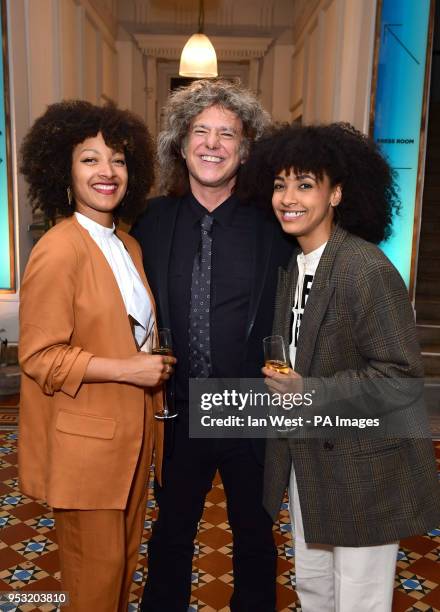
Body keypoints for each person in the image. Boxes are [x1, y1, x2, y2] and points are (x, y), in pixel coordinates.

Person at [238, 122, 440, 612]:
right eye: (280, 184)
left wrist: (311, 391)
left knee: (360, 599)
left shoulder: (365, 268)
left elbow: (400, 379)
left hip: (363, 469)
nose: (289, 197)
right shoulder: (295, 266)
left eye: (305, 184)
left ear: (337, 194)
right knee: (313, 588)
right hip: (308, 464)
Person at [131, 79, 293, 611]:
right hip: (176, 409)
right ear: (181, 144)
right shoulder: (150, 222)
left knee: (254, 541)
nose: (213, 143)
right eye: (200, 130)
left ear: (245, 150)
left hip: (250, 411)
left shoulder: (274, 224)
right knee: (171, 537)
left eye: (228, 134)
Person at [18, 100, 176, 612]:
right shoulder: (60, 248)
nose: (107, 172)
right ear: (63, 170)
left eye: (118, 160)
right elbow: (39, 356)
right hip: (86, 452)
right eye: (90, 159)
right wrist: (128, 368)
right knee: (93, 585)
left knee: (120, 575)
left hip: (130, 443)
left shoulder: (126, 244)